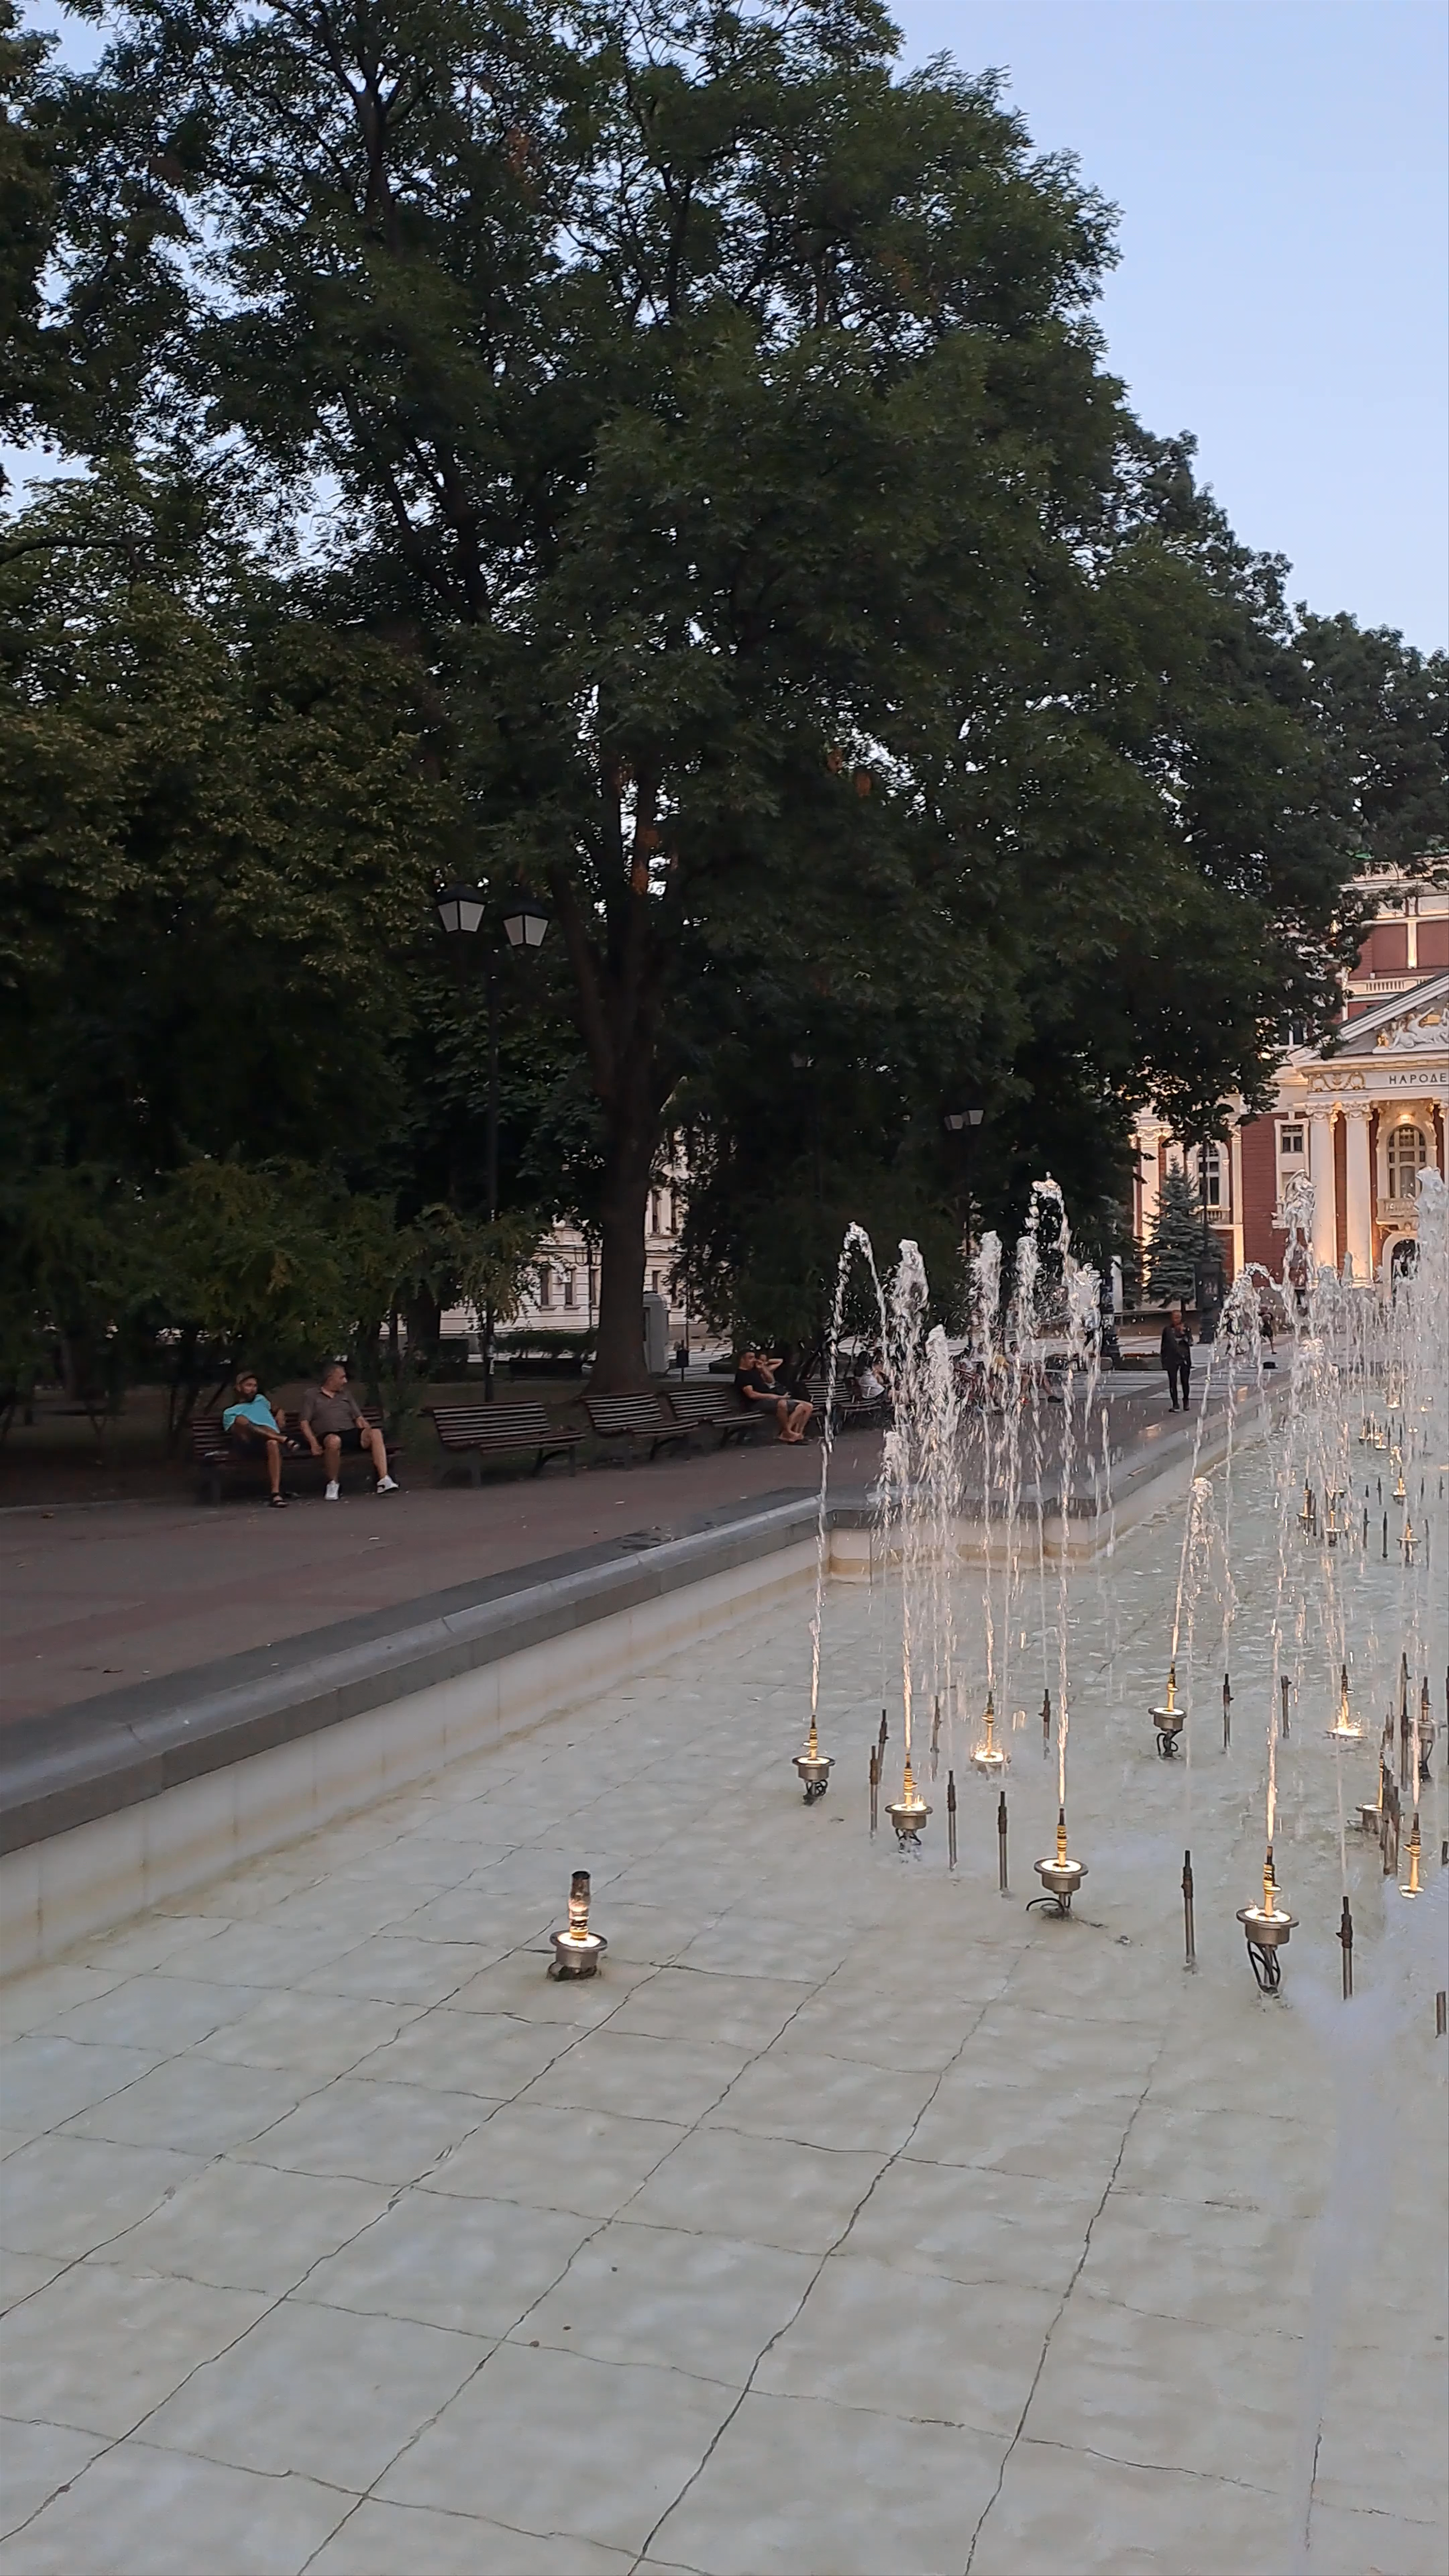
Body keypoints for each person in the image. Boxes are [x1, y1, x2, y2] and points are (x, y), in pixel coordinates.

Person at [298, 1361, 398, 1499]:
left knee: (376, 1433)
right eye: (342, 1378)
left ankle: (384, 1480)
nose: (345, 1381)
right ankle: (333, 1483)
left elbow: (359, 1418)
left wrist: (367, 1431)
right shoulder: (312, 1395)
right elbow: (304, 1422)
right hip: (327, 1435)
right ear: (330, 1378)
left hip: (349, 1432)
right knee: (334, 1441)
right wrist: (313, 1443)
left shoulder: (346, 1395)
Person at [221, 1371, 293, 1507]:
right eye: (249, 1385)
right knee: (241, 1420)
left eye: (255, 1386)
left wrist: (280, 1413)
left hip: (273, 1445)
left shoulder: (261, 1400)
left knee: (272, 1442)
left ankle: (276, 1494)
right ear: (238, 1388)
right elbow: (237, 1432)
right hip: (250, 1444)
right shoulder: (230, 1412)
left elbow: (277, 1409)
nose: (253, 1389)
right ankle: (282, 1439)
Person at [734, 1347, 812, 1443]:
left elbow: (771, 1380)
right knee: (784, 1404)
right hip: (756, 1404)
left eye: (755, 1358)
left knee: (808, 1407)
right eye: (750, 1358)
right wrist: (773, 1397)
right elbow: (752, 1395)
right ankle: (787, 1432)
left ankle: (798, 1434)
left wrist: (763, 1368)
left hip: (769, 1400)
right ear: (743, 1360)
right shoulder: (742, 1375)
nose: (754, 1360)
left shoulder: (755, 1371)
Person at [1160, 1309, 1193, 1412]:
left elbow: (1191, 1342)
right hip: (1172, 1359)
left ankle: (1186, 1401)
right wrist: (1163, 1360)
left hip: (1184, 1358)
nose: (1176, 1320)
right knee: (1173, 1382)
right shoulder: (1168, 1330)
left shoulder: (1186, 1328)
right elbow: (1164, 1345)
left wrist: (1184, 1335)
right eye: (1175, 1318)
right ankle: (1175, 1404)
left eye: (1178, 1318)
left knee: (1185, 1381)